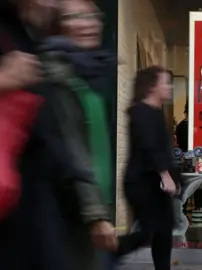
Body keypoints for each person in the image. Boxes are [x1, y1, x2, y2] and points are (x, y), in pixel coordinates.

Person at [38, 0, 118, 269]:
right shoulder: (56, 73)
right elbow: (74, 147)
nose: (89, 24)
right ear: (58, 25)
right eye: (76, 17)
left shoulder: (89, 75)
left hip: (87, 211)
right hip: (66, 213)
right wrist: (96, 215)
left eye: (94, 17)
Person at [116, 66, 182, 269]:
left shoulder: (154, 113)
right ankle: (107, 253)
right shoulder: (141, 112)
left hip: (153, 185)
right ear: (153, 87)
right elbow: (149, 146)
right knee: (147, 231)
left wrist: (175, 178)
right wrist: (166, 176)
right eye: (165, 82)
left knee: (163, 231)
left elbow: (162, 150)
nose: (169, 87)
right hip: (141, 184)